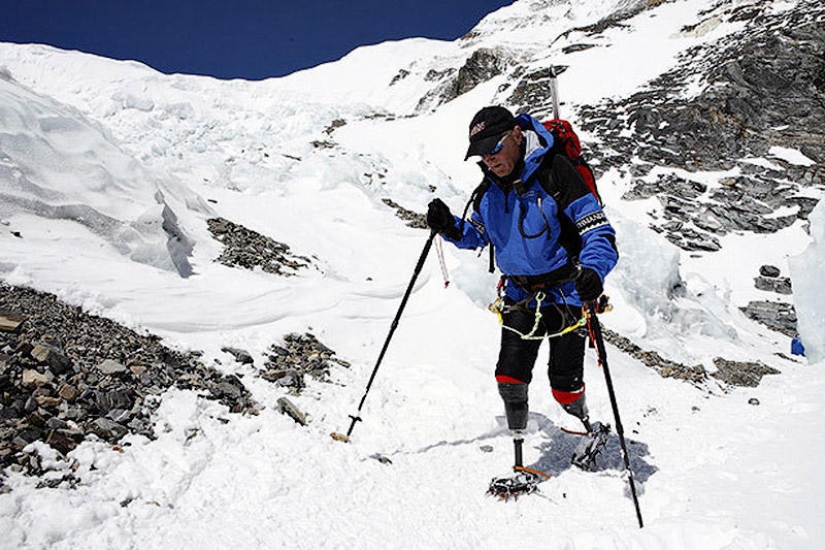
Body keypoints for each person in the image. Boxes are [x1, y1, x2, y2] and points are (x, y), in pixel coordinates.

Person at [426, 106, 618, 445]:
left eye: (494, 148)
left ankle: (584, 423)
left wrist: (593, 270)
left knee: (564, 384)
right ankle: (519, 452)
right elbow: (477, 235)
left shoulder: (555, 173)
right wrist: (449, 227)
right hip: (519, 296)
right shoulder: (489, 192)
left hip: (567, 296)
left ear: (516, 134)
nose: (488, 159)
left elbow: (597, 230)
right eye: (481, 155)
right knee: (509, 378)